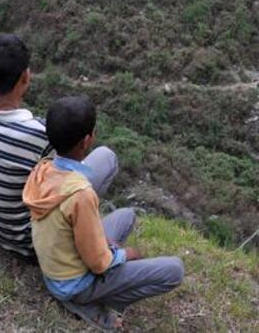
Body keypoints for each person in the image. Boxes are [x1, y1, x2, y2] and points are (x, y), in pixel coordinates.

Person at [23, 96, 184, 330]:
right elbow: (99, 264)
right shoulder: (81, 194)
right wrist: (126, 254)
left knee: (126, 215)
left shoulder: (42, 169)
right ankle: (98, 304)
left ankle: (97, 287)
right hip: (73, 284)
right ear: (87, 140)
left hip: (56, 266)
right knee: (174, 270)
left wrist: (99, 240)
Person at [0, 35, 118, 259]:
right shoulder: (39, 135)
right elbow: (67, 181)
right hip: (35, 244)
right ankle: (87, 232)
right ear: (26, 76)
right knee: (106, 158)